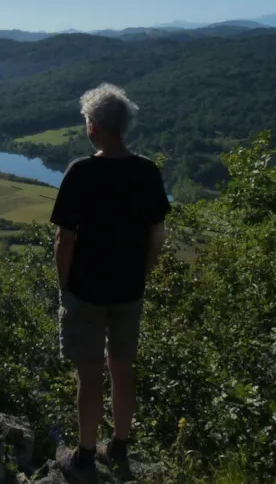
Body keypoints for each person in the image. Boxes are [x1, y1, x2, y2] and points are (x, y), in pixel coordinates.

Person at [51, 83, 171, 483]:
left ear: (97, 126)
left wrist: (64, 285)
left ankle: (85, 455)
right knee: (123, 368)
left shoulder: (82, 172)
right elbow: (157, 233)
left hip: (86, 290)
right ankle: (119, 446)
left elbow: (64, 240)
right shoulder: (147, 171)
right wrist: (144, 271)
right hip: (128, 290)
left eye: (87, 120)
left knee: (89, 375)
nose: (86, 127)